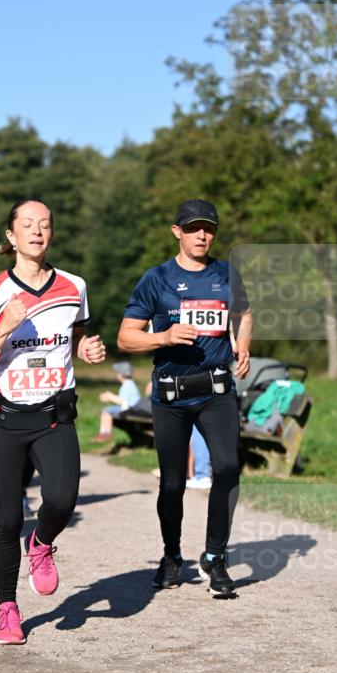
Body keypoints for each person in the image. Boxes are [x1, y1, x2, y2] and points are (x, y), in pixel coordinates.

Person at [0, 199, 106, 645]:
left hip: (53, 417)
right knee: (6, 520)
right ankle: (7, 608)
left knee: (62, 500)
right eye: (27, 225)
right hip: (4, 420)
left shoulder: (74, 285)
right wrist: (4, 326)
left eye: (44, 224)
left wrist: (86, 348)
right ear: (12, 236)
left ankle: (41, 543)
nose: (37, 231)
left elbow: (76, 334)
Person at [117, 198, 252, 597]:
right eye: (193, 228)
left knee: (227, 467)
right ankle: (172, 555)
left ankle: (214, 556)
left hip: (216, 390)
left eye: (208, 229)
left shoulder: (227, 275)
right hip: (171, 396)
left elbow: (244, 313)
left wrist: (243, 345)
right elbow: (125, 338)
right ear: (177, 231)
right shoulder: (156, 279)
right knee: (173, 483)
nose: (202, 235)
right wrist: (164, 336)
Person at [94, 361, 140, 441]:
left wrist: (110, 397)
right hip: (130, 408)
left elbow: (122, 401)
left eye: (117, 373)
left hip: (130, 409)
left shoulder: (127, 385)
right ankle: (104, 433)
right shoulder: (129, 384)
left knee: (107, 410)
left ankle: (105, 433)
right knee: (107, 410)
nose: (116, 375)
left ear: (121, 374)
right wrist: (111, 396)